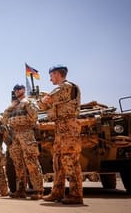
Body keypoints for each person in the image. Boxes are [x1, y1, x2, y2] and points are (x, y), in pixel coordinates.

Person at [38, 65, 83, 205]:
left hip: (68, 128)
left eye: (51, 75)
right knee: (58, 161)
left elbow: (44, 104)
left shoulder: (65, 87)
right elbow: (50, 104)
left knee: (69, 160)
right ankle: (57, 192)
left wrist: (40, 98)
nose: (50, 78)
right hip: (61, 128)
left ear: (57, 74)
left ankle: (76, 195)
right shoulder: (63, 89)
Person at [3, 84, 43, 200]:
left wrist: (26, 103)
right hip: (14, 135)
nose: (16, 91)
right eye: (15, 89)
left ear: (24, 90)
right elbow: (5, 120)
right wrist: (11, 107)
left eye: (19, 89)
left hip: (26, 133)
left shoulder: (29, 101)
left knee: (31, 161)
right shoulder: (13, 106)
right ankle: (21, 190)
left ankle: (38, 190)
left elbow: (34, 116)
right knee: (18, 163)